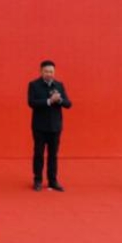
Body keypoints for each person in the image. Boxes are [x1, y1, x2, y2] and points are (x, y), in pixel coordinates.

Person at [27, 60, 71, 191]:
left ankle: (53, 181)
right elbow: (31, 103)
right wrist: (48, 101)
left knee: (53, 155)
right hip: (39, 127)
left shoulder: (59, 85)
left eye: (51, 71)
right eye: (46, 71)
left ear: (54, 72)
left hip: (55, 127)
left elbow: (68, 104)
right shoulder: (34, 85)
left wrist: (60, 100)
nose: (49, 74)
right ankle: (38, 180)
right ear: (41, 71)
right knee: (39, 154)